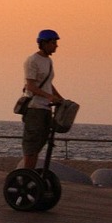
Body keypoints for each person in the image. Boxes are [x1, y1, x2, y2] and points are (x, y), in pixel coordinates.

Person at [20, 28, 66, 168]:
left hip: (45, 107)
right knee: (32, 145)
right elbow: (31, 86)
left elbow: (48, 84)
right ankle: (26, 174)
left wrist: (61, 99)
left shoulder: (49, 61)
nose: (56, 46)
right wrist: (50, 97)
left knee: (40, 143)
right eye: (53, 43)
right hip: (35, 108)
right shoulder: (32, 60)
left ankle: (31, 174)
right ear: (44, 43)